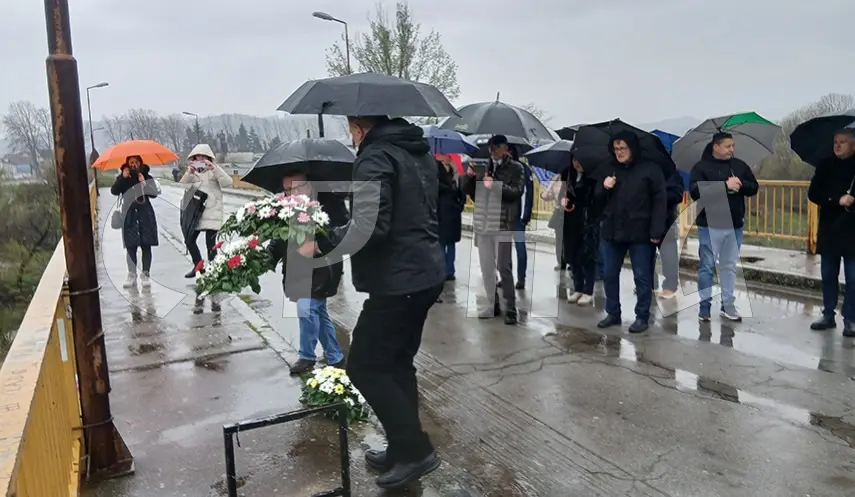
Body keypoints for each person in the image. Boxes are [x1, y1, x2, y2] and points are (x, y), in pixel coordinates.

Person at [297, 116, 445, 489]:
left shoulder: (375, 157)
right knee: (396, 365)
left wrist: (325, 240)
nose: (350, 131)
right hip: (424, 272)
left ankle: (414, 450)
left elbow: (371, 226)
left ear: (361, 124)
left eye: (350, 124)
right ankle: (400, 446)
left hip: (399, 280)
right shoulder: (417, 153)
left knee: (364, 366)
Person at [270, 171, 347, 374]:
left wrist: (320, 246)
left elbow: (345, 232)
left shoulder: (330, 204)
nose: (290, 194)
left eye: (295, 188)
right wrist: (264, 259)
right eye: (286, 190)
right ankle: (335, 355)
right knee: (317, 312)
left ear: (308, 186)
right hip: (297, 269)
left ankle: (307, 356)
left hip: (323, 267)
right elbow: (279, 240)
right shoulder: (285, 209)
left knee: (307, 308)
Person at [595, 131, 666, 333]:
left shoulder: (650, 169)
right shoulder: (608, 169)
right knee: (609, 273)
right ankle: (613, 312)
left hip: (641, 231)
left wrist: (656, 230)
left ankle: (642, 316)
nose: (619, 152)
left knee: (642, 276)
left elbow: (660, 201)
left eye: (623, 148)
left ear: (632, 148)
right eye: (616, 149)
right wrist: (604, 186)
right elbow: (596, 200)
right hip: (612, 230)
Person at [689, 132, 759, 322]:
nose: (732, 150)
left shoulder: (739, 166)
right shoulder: (701, 167)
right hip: (710, 225)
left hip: (735, 224)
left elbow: (754, 187)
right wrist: (723, 185)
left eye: (733, 146)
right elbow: (695, 191)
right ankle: (704, 306)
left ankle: (728, 305)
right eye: (728, 146)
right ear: (716, 146)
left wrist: (741, 184)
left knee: (728, 266)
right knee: (707, 267)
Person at [460, 134, 525, 324]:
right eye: (490, 147)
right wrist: (470, 177)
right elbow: (467, 191)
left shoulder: (516, 168)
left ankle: (510, 307)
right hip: (483, 223)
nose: (493, 151)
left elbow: (516, 192)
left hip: (503, 223)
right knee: (487, 268)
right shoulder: (483, 166)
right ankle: (492, 304)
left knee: (503, 267)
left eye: (496, 147)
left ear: (505, 148)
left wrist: (494, 186)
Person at [807, 128, 855, 336]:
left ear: (853, 145)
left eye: (842, 142)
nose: (837, 145)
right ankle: (828, 314)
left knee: (853, 279)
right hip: (830, 228)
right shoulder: (825, 165)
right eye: (835, 141)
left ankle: (851, 318)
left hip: (853, 230)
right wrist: (837, 199)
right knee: (828, 275)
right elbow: (814, 193)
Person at [180, 144, 233, 278]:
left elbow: (228, 183)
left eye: (203, 157)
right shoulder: (193, 173)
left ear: (209, 157)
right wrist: (189, 173)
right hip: (196, 213)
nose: (201, 159)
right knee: (189, 240)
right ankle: (199, 266)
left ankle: (214, 271)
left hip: (212, 210)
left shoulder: (214, 170)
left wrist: (214, 168)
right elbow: (184, 186)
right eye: (198, 157)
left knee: (211, 244)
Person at [111, 155, 160, 289]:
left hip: (145, 214)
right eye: (131, 162)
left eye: (136, 162)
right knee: (130, 246)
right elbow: (114, 191)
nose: (133, 165)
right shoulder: (123, 177)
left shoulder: (146, 176)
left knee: (146, 245)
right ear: (127, 164)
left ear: (140, 163)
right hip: (129, 215)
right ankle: (131, 274)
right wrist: (122, 178)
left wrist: (144, 183)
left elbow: (154, 193)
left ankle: (145, 274)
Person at [564, 157, 602, 306]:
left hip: (588, 222)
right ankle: (578, 288)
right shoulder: (568, 176)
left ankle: (588, 291)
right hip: (571, 221)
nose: (576, 163)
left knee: (587, 257)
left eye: (580, 160)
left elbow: (596, 199)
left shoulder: (593, 177)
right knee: (573, 257)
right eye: (573, 159)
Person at [649, 167, 686, 299]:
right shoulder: (646, 168)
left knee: (668, 252)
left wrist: (658, 194)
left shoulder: (672, 172)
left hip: (667, 218)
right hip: (647, 218)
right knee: (647, 253)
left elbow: (677, 195)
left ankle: (670, 286)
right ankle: (650, 283)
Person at [436, 157, 465, 281]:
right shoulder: (437, 178)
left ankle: (450, 270)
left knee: (451, 244)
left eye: (447, 160)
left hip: (453, 214)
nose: (445, 162)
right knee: (441, 243)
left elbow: (462, 194)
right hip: (441, 213)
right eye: (442, 161)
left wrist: (459, 206)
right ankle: (442, 269)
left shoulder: (456, 178)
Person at [510, 148, 534, 289]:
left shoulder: (523, 169)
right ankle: (505, 276)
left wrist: (525, 215)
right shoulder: (499, 168)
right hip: (504, 216)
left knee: (520, 247)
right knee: (504, 248)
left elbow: (527, 195)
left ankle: (521, 278)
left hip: (518, 217)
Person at [541, 173, 568, 271]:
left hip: (571, 211)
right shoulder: (556, 178)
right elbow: (552, 195)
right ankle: (561, 261)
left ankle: (571, 261)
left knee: (570, 239)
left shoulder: (572, 176)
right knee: (559, 239)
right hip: (560, 212)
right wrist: (545, 195)